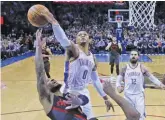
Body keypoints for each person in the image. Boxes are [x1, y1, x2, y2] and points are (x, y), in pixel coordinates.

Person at [42, 11, 114, 120]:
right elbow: (63, 39)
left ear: (89, 39)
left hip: (83, 92)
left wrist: (105, 98)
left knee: (91, 118)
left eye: (85, 34)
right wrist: (54, 22)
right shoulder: (73, 50)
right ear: (76, 40)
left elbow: (95, 81)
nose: (82, 36)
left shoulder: (93, 57)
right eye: (79, 35)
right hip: (69, 91)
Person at [35, 29, 89, 120]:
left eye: (51, 79)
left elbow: (85, 99)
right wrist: (38, 47)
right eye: (48, 81)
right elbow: (40, 73)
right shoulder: (48, 99)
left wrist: (80, 100)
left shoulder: (69, 95)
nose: (51, 79)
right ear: (45, 87)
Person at [116, 49, 165, 120]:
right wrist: (118, 86)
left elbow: (151, 77)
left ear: (138, 57)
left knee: (140, 117)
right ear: (129, 56)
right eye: (132, 55)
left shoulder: (142, 68)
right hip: (127, 96)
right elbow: (118, 80)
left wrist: (160, 84)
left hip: (139, 96)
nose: (133, 56)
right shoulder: (124, 68)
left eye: (135, 55)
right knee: (129, 117)